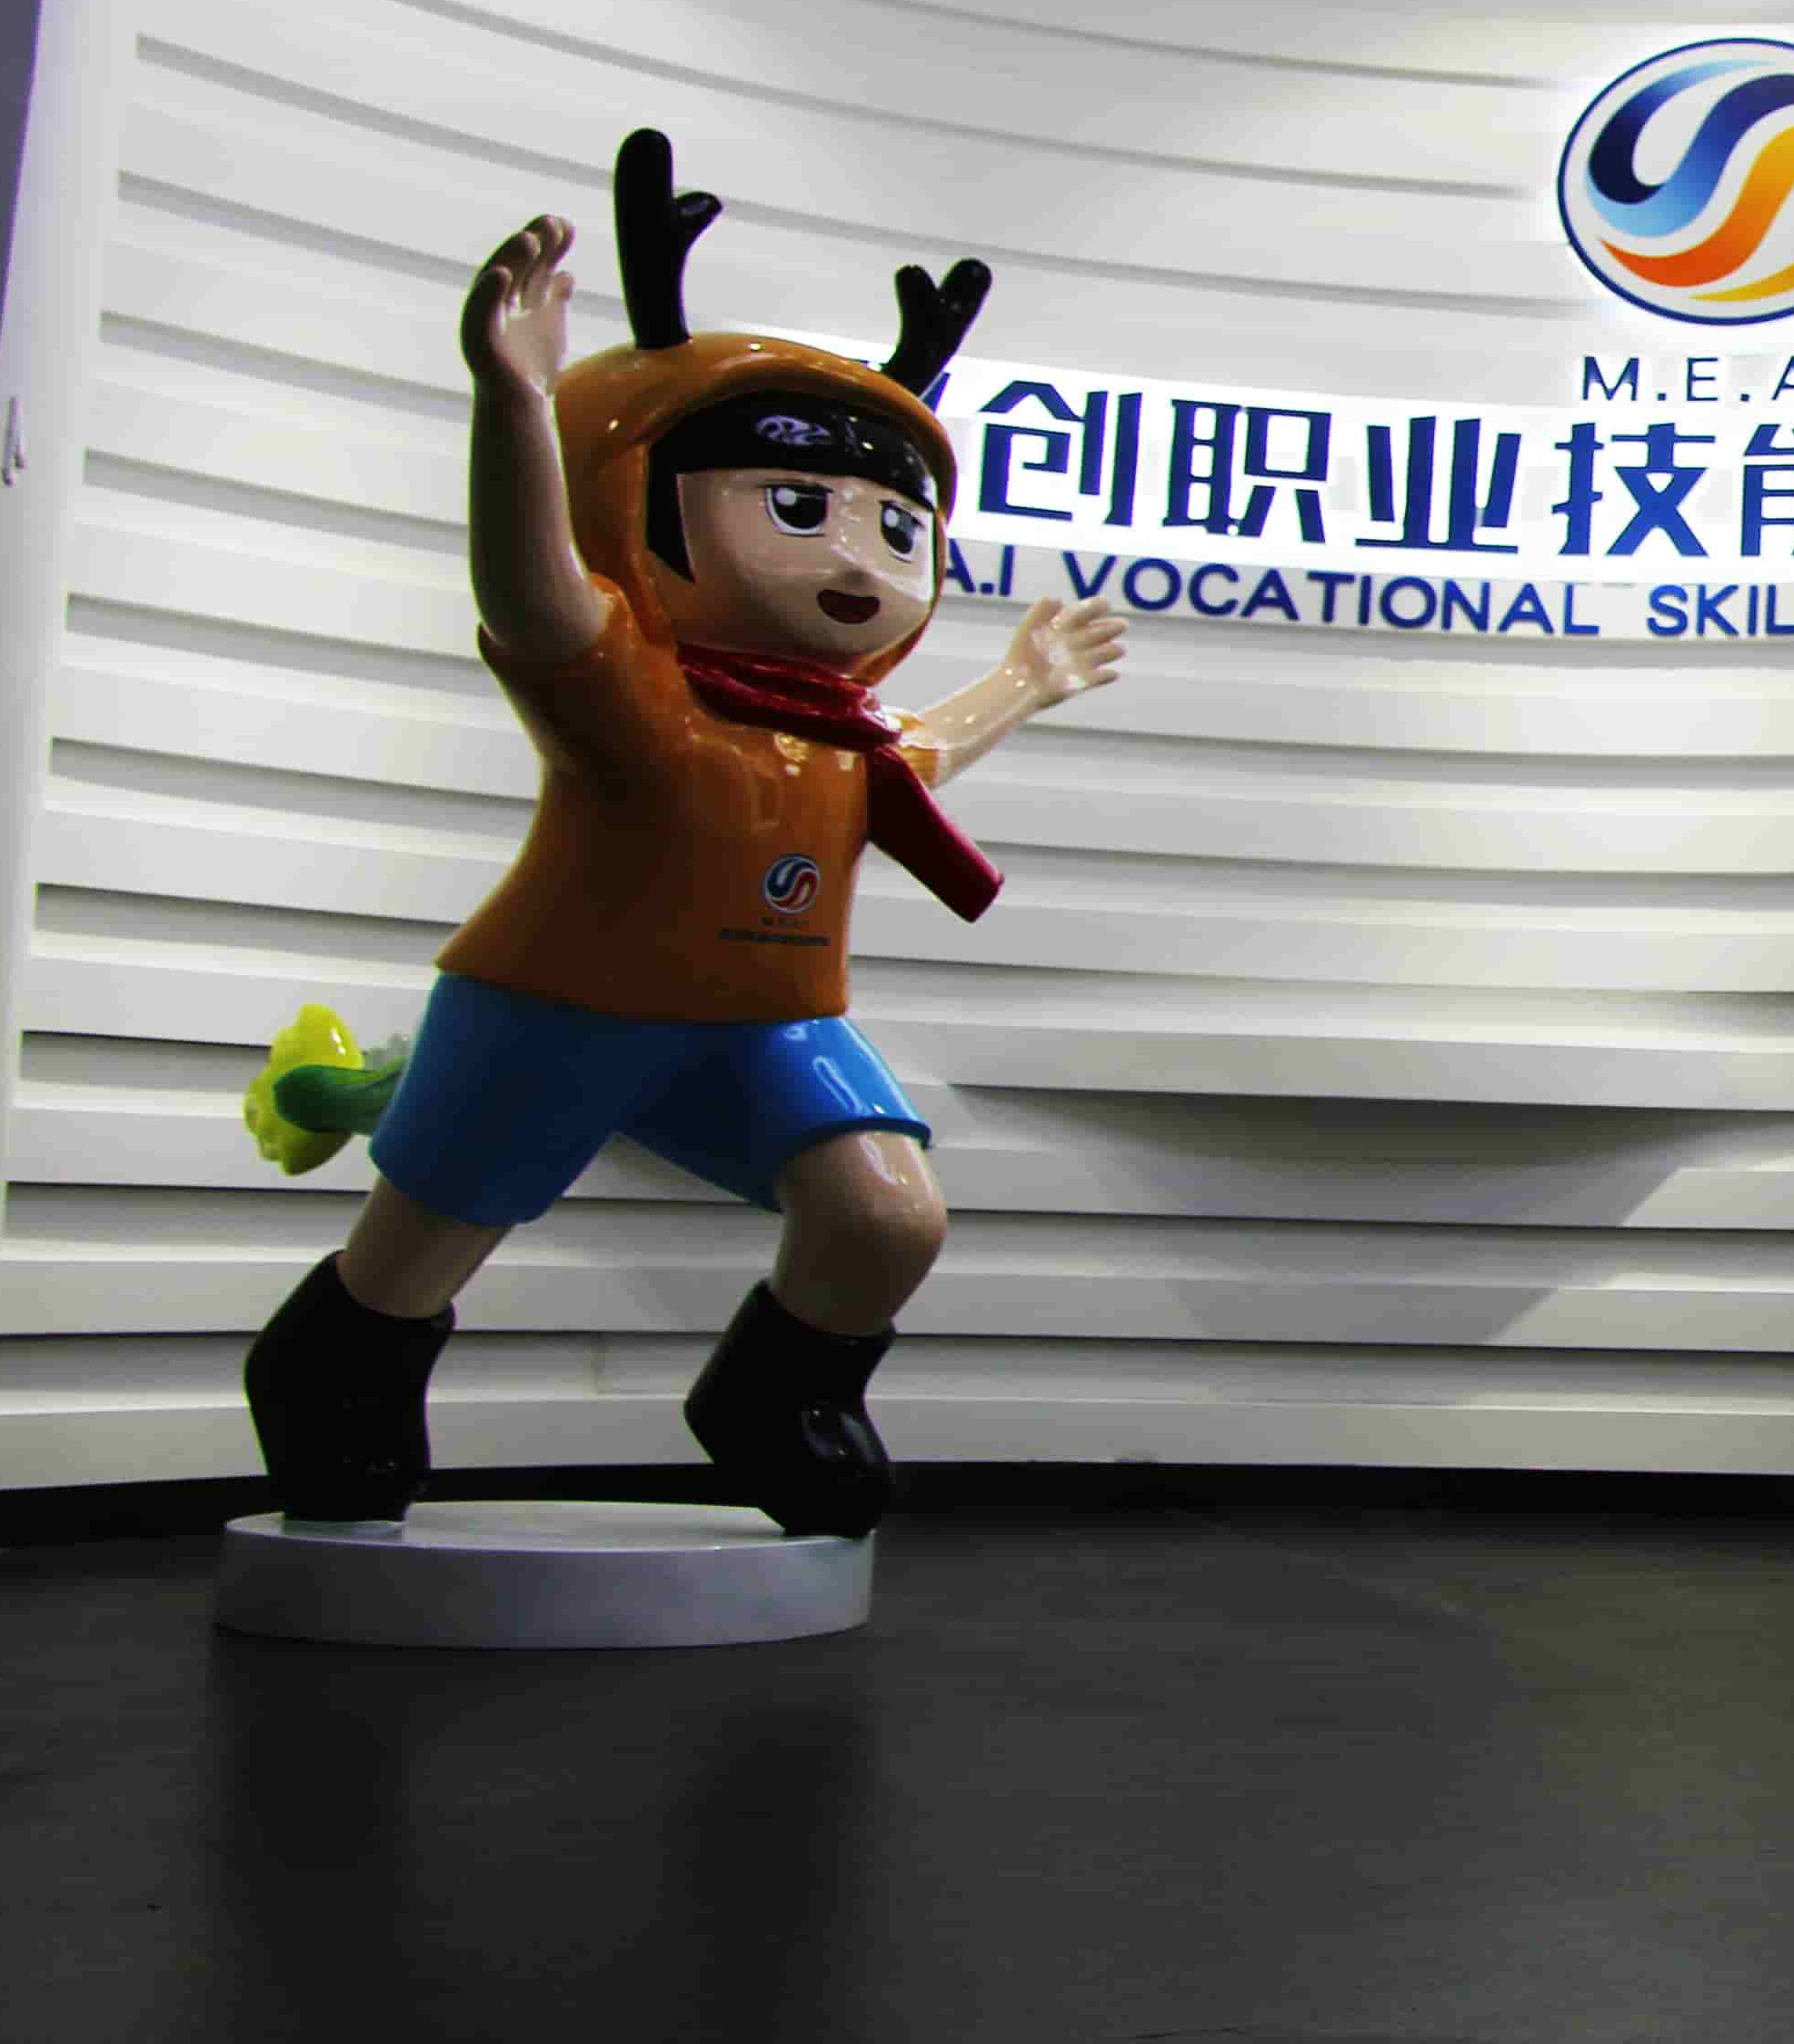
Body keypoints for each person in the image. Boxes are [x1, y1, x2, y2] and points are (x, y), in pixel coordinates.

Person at [234, 128, 1126, 1540]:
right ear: (632, 498)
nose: (856, 559)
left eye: (898, 528)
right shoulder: (631, 697)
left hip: (765, 1027)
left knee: (887, 1217)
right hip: (552, 1008)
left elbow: (917, 757)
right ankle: (332, 1371)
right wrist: (516, 411)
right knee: (429, 1243)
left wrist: (1024, 679)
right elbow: (532, 595)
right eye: (798, 509)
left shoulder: (832, 737)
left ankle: (777, 1395)